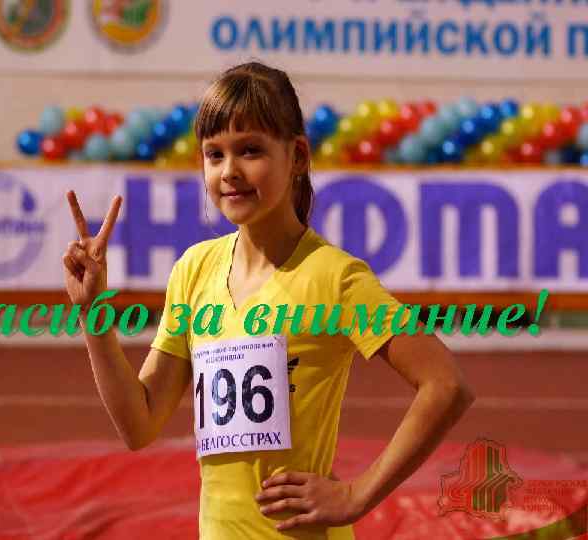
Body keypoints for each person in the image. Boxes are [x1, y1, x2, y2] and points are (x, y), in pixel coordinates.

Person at [62, 61, 475, 539]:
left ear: (296, 155)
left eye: (250, 150)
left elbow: (446, 384)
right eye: (214, 154)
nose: (230, 171)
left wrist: (356, 495)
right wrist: (93, 311)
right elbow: (139, 424)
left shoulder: (335, 277)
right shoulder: (194, 270)